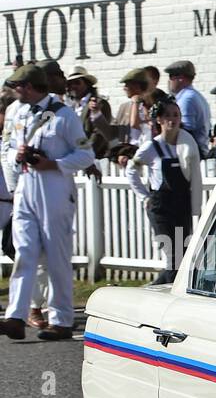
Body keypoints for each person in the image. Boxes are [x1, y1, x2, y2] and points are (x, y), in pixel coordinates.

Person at [0, 64, 94, 341]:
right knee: (24, 252)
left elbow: (86, 155)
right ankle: (15, 317)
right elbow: (5, 148)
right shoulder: (16, 111)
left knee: (56, 256)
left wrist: (53, 163)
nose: (16, 92)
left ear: (30, 86)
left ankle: (62, 320)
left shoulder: (64, 116)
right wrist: (16, 158)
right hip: (26, 187)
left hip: (55, 188)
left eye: (19, 86)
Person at [126, 98, 204, 285]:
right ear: (159, 119)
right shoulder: (151, 147)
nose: (172, 119)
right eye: (167, 115)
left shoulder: (187, 145)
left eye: (176, 115)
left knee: (182, 254)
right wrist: (144, 197)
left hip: (181, 205)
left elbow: (194, 177)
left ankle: (155, 288)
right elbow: (131, 170)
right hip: (160, 206)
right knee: (172, 252)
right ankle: (169, 291)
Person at [64, 66, 112, 161]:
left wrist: (86, 153)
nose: (73, 86)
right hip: (73, 157)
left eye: (77, 83)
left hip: (94, 158)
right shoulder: (71, 107)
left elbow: (100, 132)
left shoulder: (99, 103)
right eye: (70, 84)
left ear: (87, 84)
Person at [163, 60, 210, 150]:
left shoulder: (186, 99)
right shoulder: (195, 95)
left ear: (181, 78)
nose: (169, 81)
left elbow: (186, 130)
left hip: (190, 150)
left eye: (171, 76)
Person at [113, 68, 150, 146]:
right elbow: (112, 133)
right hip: (127, 152)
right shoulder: (124, 107)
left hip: (146, 150)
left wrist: (136, 102)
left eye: (127, 85)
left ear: (137, 86)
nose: (124, 88)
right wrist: (97, 114)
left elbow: (136, 124)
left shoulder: (150, 105)